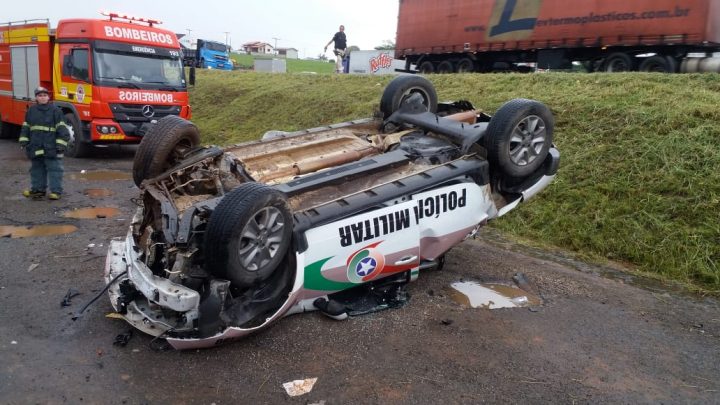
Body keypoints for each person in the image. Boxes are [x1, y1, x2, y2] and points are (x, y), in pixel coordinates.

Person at [18, 86, 71, 200]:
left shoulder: (56, 111)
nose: (42, 98)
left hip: (51, 146)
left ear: (48, 97)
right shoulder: (31, 110)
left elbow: (62, 129)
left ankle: (56, 192)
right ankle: (37, 190)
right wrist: (23, 140)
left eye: (44, 95)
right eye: (40, 96)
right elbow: (26, 127)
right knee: (36, 169)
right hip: (35, 146)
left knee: (55, 169)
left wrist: (61, 144)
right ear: (36, 97)